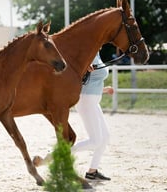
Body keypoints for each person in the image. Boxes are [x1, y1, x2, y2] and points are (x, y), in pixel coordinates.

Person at [33, 52, 113, 181]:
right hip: (86, 100)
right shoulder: (87, 52)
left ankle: (92, 171)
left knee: (105, 137)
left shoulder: (97, 52)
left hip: (93, 100)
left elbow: (93, 80)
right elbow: (71, 74)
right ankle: (50, 158)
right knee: (96, 141)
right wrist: (83, 69)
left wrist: (104, 89)